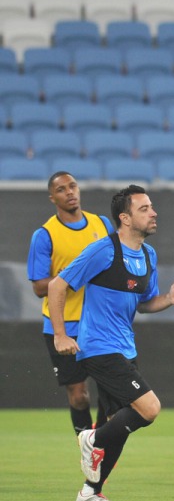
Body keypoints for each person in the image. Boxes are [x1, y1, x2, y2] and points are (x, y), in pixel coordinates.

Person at [49, 184, 174, 501]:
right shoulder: (103, 250)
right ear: (125, 218)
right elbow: (58, 285)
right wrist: (60, 335)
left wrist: (169, 300)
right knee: (150, 408)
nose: (153, 212)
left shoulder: (148, 254)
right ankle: (91, 439)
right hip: (98, 348)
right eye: (144, 208)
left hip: (125, 349)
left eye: (152, 207)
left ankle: (90, 492)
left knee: (119, 425)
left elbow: (144, 304)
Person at [27, 171, 113, 437]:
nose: (70, 192)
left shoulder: (102, 225)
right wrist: (72, 276)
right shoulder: (45, 235)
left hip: (100, 323)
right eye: (62, 189)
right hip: (64, 324)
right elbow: (39, 286)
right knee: (79, 396)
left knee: (112, 392)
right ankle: (86, 447)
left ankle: (99, 445)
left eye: (73, 186)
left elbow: (116, 263)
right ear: (53, 197)